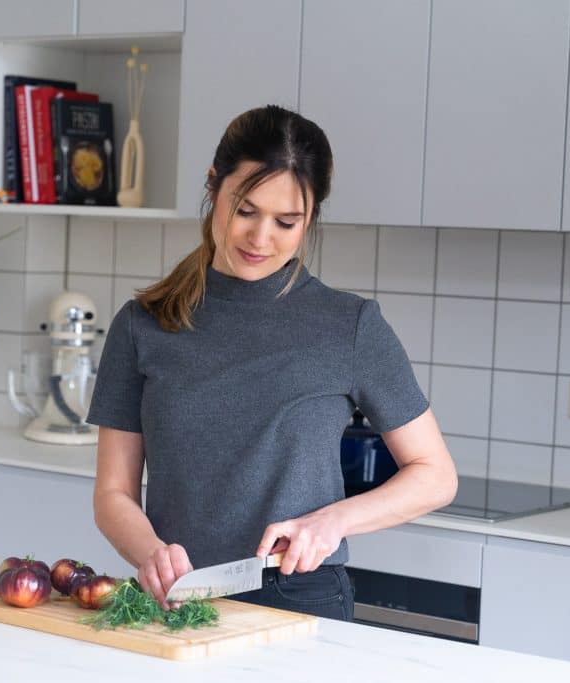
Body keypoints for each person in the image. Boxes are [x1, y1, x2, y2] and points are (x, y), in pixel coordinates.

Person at [86, 105, 457, 621]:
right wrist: (150, 552)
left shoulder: (350, 326)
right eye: (245, 211)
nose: (261, 238)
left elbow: (435, 475)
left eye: (287, 222)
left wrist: (332, 522)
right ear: (214, 187)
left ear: (311, 218)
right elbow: (113, 493)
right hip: (174, 600)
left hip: (300, 601)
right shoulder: (143, 324)